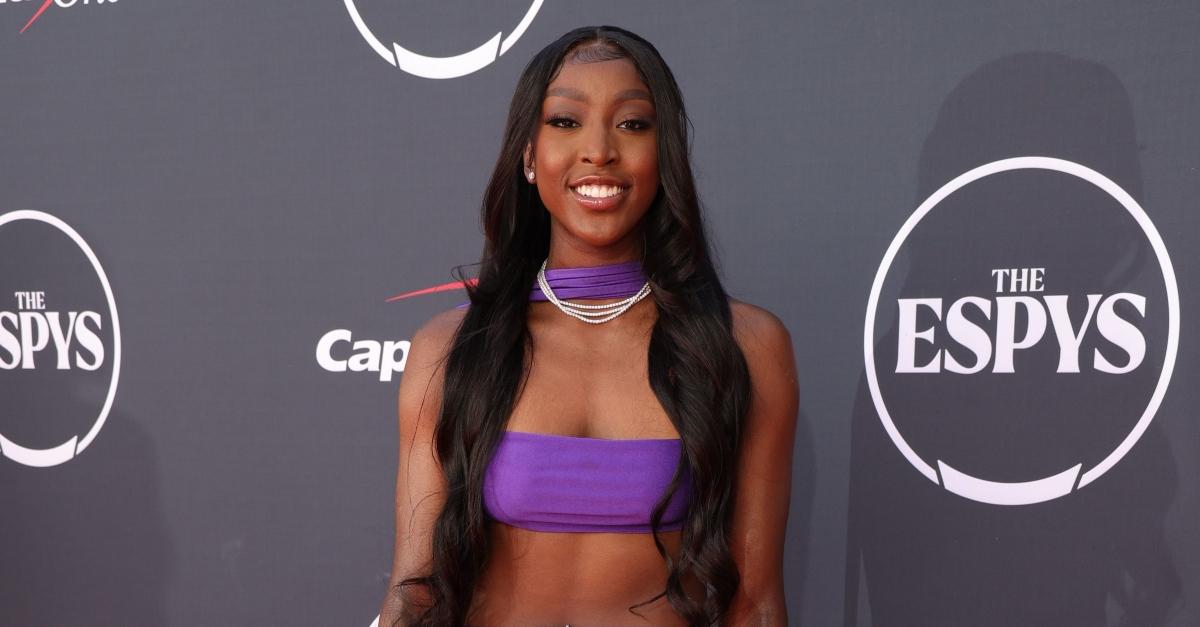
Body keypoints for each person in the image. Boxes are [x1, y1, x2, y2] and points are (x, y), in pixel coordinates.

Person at [378, 25, 798, 626]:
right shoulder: (449, 348)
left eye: (632, 124)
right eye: (566, 122)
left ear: (665, 156)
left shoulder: (746, 346)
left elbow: (755, 605)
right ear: (529, 155)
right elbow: (414, 594)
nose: (599, 150)